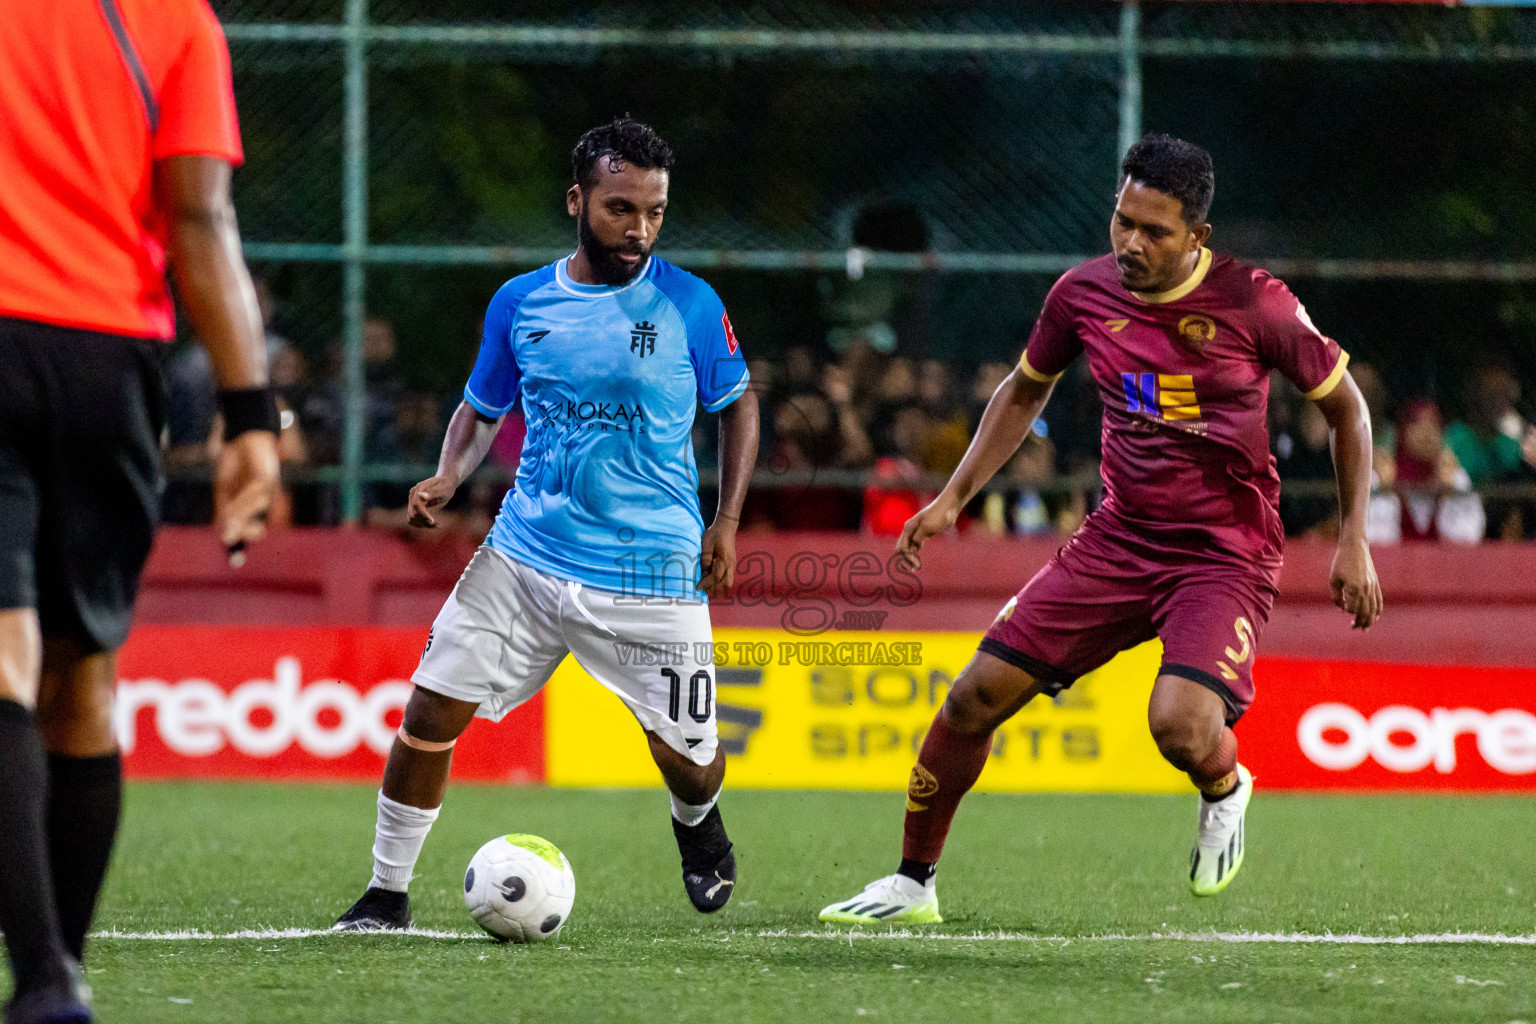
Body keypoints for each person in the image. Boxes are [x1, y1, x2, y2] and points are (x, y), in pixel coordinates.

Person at [820, 134, 1381, 925]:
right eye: (1122, 221)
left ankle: (1225, 782)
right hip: (1118, 541)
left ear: (1197, 237)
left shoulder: (1257, 303)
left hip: (1222, 556)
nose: (1130, 243)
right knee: (972, 699)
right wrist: (953, 497)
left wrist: (1353, 534)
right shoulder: (1081, 295)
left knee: (1180, 728)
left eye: (1154, 230)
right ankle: (913, 883)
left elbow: (1347, 409)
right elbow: (1023, 392)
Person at [333, 118, 759, 931]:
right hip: (523, 556)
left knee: (691, 763)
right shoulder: (520, 302)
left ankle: (698, 825)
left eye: (654, 212)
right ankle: (385, 892)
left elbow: (738, 405)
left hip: (650, 570)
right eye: (619, 208)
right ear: (577, 200)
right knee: (428, 715)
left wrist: (727, 517)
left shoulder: (690, 304)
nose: (638, 230)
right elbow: (481, 407)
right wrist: (450, 473)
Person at [0, 2, 279, 1020]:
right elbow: (201, 217)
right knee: (80, 678)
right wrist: (251, 412)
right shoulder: (178, 23)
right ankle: (54, 973)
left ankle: (45, 977)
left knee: (8, 663)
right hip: (107, 363)